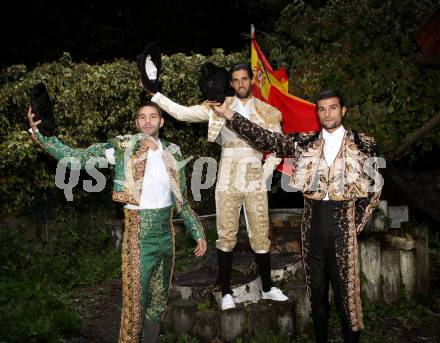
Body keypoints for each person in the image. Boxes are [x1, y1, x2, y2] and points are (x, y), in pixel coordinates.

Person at [211, 90, 383, 342]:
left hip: (343, 224)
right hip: (312, 224)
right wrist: (228, 114)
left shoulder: (363, 143)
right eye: (322, 109)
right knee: (317, 292)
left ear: (343, 110)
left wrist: (354, 223)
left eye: (333, 108)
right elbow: (267, 139)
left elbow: (374, 187)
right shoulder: (305, 142)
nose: (327, 113)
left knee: (348, 295)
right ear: (317, 112)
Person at [27, 102, 207, 343]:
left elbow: (182, 200)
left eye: (153, 116)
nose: (147, 121)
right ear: (136, 123)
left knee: (158, 301)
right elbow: (78, 157)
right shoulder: (124, 147)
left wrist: (198, 231)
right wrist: (42, 135)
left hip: (166, 236)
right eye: (142, 117)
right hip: (138, 236)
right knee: (134, 308)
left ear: (161, 122)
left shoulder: (173, 152)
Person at [147, 62, 289, 310]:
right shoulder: (218, 106)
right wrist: (156, 95)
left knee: (260, 232)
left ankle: (267, 288)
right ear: (230, 83)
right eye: (236, 80)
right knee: (226, 233)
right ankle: (225, 292)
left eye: (245, 79)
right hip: (227, 175)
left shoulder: (267, 111)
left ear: (251, 81)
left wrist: (263, 175)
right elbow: (182, 113)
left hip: (254, 174)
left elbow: (278, 147)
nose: (241, 84)